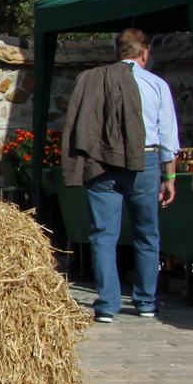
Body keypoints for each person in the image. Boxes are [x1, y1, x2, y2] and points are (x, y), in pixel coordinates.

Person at [61, 28, 179, 323]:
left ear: (118, 52)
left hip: (101, 160)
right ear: (145, 53)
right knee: (147, 235)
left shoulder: (94, 79)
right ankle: (145, 302)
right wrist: (170, 177)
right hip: (146, 159)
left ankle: (107, 305)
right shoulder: (156, 84)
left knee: (103, 235)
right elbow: (168, 136)